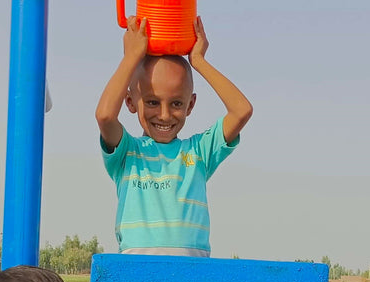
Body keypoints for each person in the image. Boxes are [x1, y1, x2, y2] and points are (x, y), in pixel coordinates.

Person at [95, 15, 253, 256]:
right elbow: (105, 116)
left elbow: (242, 110)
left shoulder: (199, 152)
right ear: (130, 102)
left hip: (191, 275)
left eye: (177, 103)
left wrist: (198, 61)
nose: (165, 115)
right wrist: (131, 57)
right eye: (151, 102)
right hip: (136, 273)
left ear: (191, 105)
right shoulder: (127, 153)